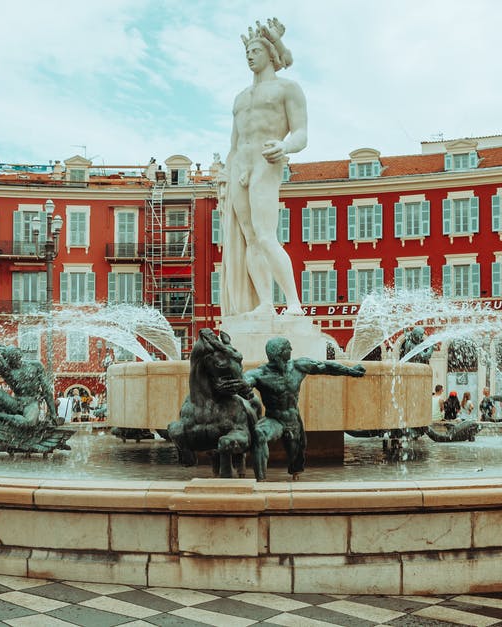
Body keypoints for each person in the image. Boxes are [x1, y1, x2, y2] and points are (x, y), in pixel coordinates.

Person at [218, 18, 307, 317]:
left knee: (266, 236)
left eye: (255, 50)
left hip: (266, 161)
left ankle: (293, 303)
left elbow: (301, 134)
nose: (249, 55)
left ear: (270, 55)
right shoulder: (240, 98)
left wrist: (285, 147)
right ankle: (266, 304)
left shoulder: (287, 89)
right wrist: (226, 172)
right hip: (239, 165)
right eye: (247, 52)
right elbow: (233, 142)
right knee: (250, 239)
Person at [243, 337, 365, 479]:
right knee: (259, 434)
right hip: (273, 419)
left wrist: (350, 371)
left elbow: (326, 367)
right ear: (280, 352)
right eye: (288, 347)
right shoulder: (260, 373)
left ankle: (295, 474)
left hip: (293, 419)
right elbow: (245, 381)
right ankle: (261, 480)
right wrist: (243, 386)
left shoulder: (298, 366)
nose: (291, 350)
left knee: (297, 457)